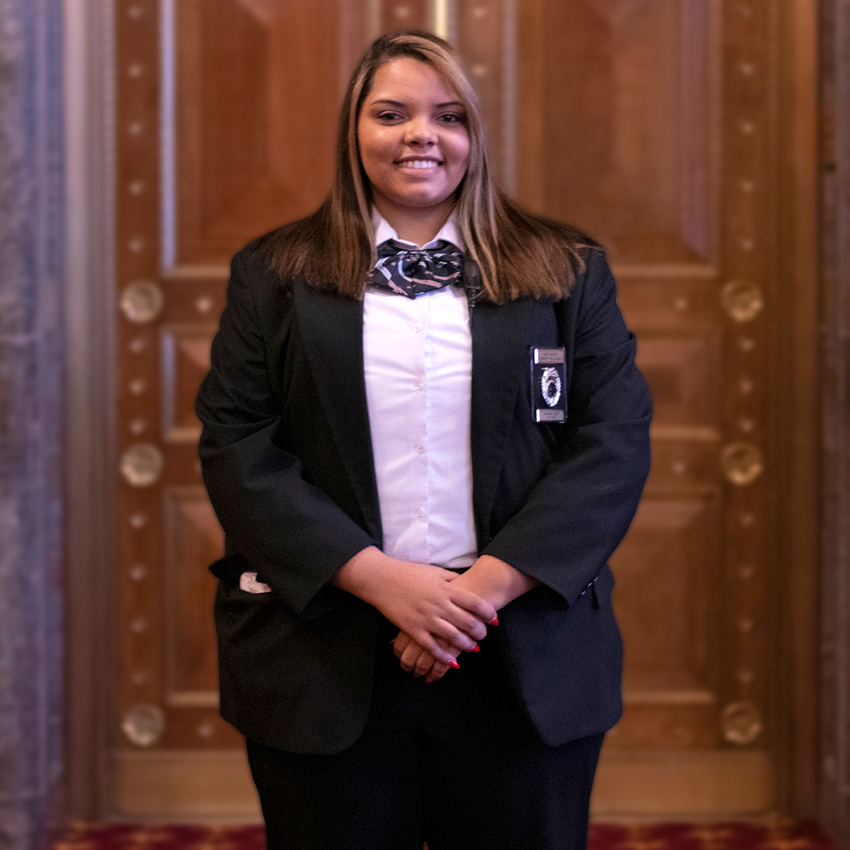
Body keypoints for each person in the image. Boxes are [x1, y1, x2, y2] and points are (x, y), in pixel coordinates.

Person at [196, 29, 651, 850]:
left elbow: (611, 443)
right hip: (326, 649)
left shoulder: (566, 271)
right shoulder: (273, 274)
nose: (420, 135)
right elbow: (238, 445)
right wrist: (384, 584)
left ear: (474, 136)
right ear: (354, 132)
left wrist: (470, 600)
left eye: (447, 116)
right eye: (391, 113)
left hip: (521, 653)